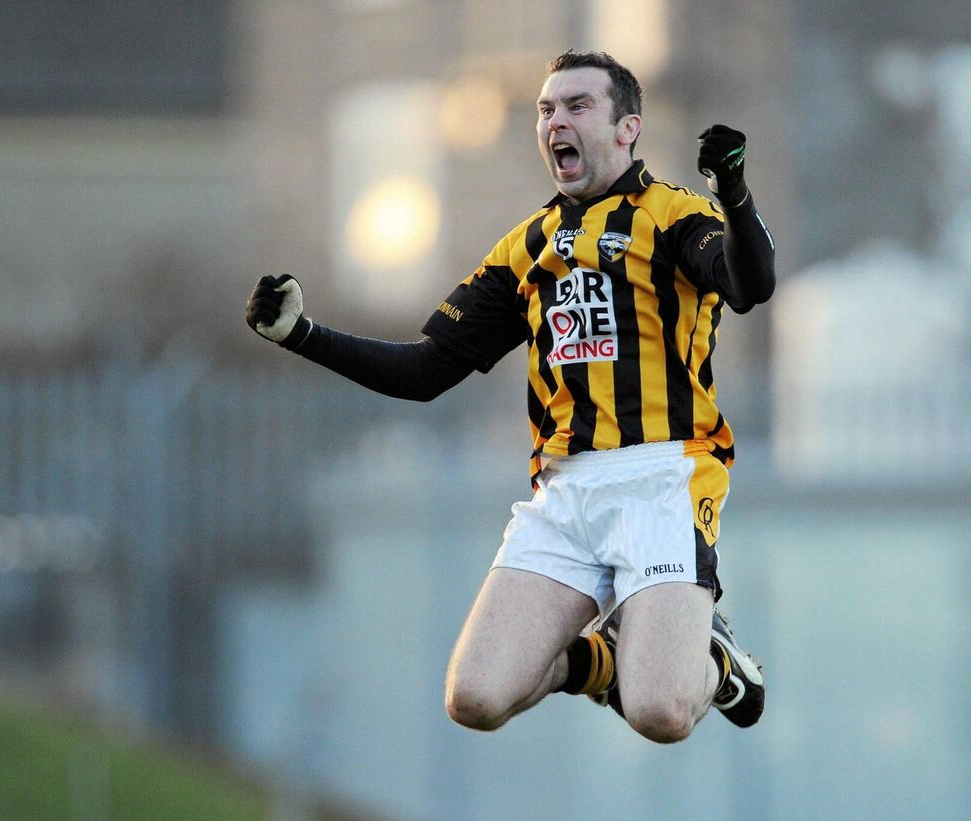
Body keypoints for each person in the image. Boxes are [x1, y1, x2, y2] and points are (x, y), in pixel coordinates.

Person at [246, 50, 774, 743]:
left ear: (628, 128)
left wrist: (733, 192)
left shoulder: (674, 214)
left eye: (578, 106)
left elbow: (750, 284)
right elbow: (426, 369)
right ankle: (606, 659)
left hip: (663, 480)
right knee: (476, 696)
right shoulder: (526, 248)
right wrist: (301, 334)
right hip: (566, 491)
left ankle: (716, 659)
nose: (557, 121)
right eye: (546, 110)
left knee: (661, 713)